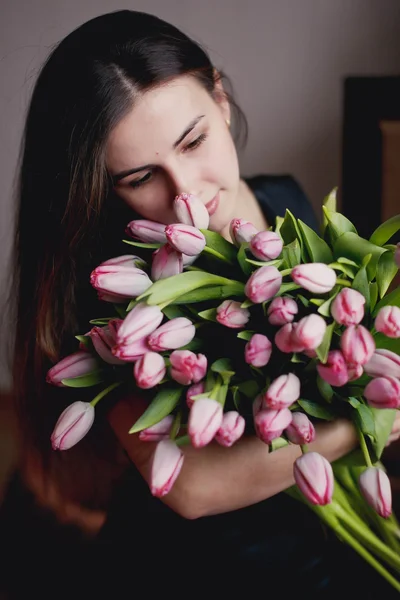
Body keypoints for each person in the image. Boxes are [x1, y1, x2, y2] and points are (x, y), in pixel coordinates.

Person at [2, 9, 400, 598]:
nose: (187, 192)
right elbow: (190, 490)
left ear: (220, 98)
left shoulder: (279, 198)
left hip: (327, 537)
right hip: (204, 566)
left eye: (193, 141)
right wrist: (374, 418)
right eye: (139, 177)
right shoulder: (121, 293)